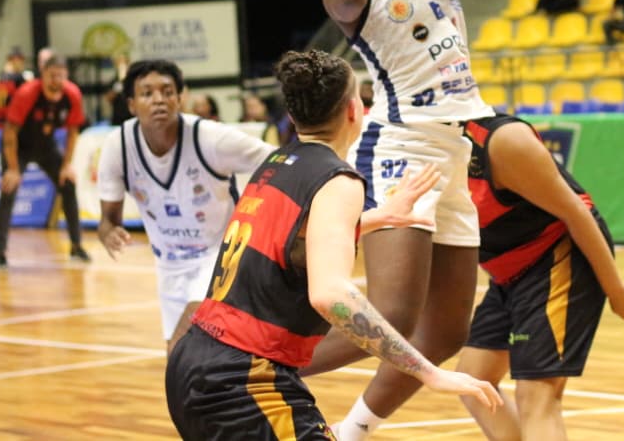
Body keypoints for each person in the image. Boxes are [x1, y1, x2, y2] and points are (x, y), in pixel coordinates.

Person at [165, 50, 501, 439]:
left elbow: (297, 236)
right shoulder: (338, 179)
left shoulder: (277, 163)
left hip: (193, 362)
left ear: (293, 115)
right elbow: (330, 296)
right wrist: (427, 370)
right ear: (356, 110)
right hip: (243, 380)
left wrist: (383, 216)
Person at [306, 0, 502, 439]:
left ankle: (350, 430)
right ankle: (264, 359)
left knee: (447, 328)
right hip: (403, 148)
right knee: (387, 311)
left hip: (457, 152)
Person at [360, 113, 624, 440]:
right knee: (475, 380)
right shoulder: (410, 152)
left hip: (556, 257)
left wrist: (616, 290)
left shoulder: (503, 141)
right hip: (508, 275)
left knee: (537, 395)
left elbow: (577, 212)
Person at [97, 60, 276, 350]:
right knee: (181, 369)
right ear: (131, 104)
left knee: (183, 348)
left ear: (181, 98)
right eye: (147, 93)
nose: (158, 100)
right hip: (169, 265)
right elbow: (108, 219)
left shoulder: (210, 138)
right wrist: (109, 234)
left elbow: (278, 160)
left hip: (222, 256)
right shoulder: (117, 146)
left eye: (167, 91)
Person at [0, 55, 90, 267]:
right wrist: (12, 169)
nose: (56, 80)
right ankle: (0, 253)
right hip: (18, 145)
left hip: (46, 145)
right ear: (43, 75)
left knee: (68, 184)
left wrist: (66, 165)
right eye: (51, 75)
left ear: (66, 76)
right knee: (9, 189)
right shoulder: (27, 93)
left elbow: (73, 132)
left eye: (60, 75)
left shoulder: (72, 94)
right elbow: (9, 131)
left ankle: (76, 247)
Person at [0, 48, 28, 127]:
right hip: (12, 124)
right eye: (21, 60)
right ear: (15, 60)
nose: (22, 64)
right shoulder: (18, 78)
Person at [104, 53, 133, 125]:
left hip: (131, 117)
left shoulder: (133, 80)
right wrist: (116, 89)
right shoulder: (113, 81)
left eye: (124, 62)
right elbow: (108, 99)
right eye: (119, 63)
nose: (121, 65)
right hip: (117, 119)